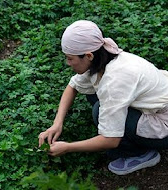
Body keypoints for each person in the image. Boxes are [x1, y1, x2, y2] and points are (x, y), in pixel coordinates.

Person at [38, 20, 168, 175]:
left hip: (163, 123)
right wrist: (57, 124)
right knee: (95, 97)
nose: (68, 63)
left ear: (88, 55)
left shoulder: (115, 79)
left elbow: (110, 140)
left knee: (99, 110)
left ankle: (141, 154)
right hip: (152, 103)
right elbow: (72, 86)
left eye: (70, 58)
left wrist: (67, 147)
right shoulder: (104, 57)